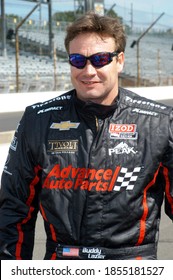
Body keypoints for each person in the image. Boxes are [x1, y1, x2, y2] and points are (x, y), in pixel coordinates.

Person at [0, 12, 173, 260]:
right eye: (78, 60)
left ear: (120, 61)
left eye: (100, 59)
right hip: (63, 264)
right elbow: (13, 212)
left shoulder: (160, 122)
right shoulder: (38, 120)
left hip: (132, 266)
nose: (88, 70)